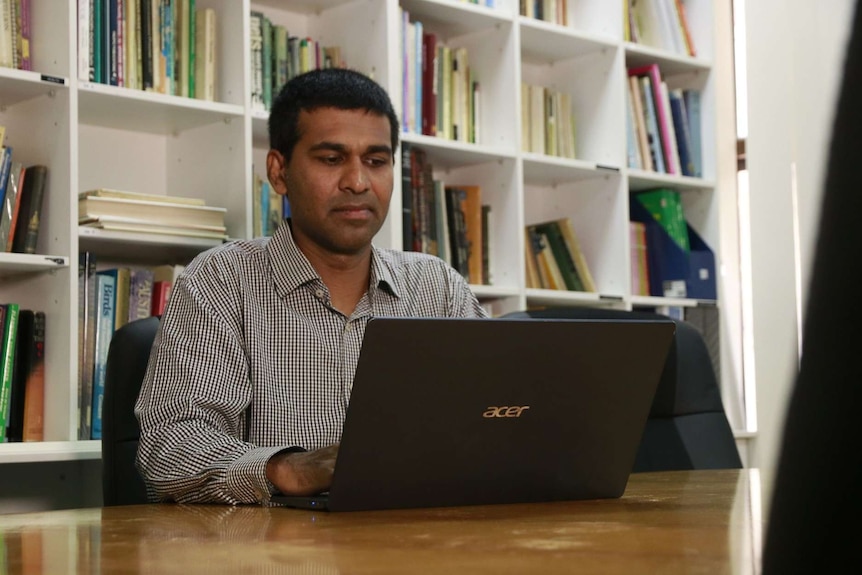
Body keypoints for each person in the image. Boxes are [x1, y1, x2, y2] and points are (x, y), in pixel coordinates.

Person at [135, 68, 488, 505]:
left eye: (376, 161)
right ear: (279, 172)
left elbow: (498, 424)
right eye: (331, 159)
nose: (358, 182)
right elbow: (169, 448)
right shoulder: (221, 282)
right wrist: (286, 469)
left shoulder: (438, 289)